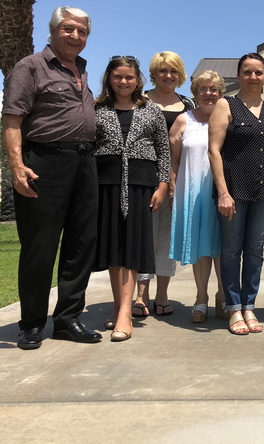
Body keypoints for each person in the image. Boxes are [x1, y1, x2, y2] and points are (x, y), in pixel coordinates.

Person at [2, 5, 102, 350]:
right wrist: (16, 166)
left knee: (80, 245)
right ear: (54, 30)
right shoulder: (30, 67)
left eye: (82, 32)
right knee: (39, 247)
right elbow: (12, 119)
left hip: (85, 162)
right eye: (69, 29)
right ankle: (31, 323)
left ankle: (67, 319)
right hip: (44, 162)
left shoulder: (84, 70)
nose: (76, 36)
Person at [93, 56, 170, 342]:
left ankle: (125, 313)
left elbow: (164, 150)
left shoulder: (151, 110)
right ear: (109, 79)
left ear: (139, 80)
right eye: (118, 77)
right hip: (107, 184)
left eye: (129, 77)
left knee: (131, 247)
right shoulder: (97, 109)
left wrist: (162, 185)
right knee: (115, 248)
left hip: (141, 185)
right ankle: (118, 305)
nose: (123, 82)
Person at [209, 53, 264, 336]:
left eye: (258, 72)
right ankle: (233, 308)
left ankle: (250, 306)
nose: (253, 77)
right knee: (230, 251)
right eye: (247, 72)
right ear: (239, 75)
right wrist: (223, 192)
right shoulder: (227, 105)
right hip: (233, 192)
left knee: (255, 252)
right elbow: (214, 150)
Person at [134, 52, 195, 318]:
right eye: (162, 71)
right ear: (154, 74)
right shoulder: (141, 102)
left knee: (166, 240)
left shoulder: (188, 104)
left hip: (178, 182)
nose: (167, 76)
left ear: (180, 74)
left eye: (173, 71)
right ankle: (141, 295)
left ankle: (162, 294)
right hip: (145, 179)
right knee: (145, 236)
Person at [168, 70, 225, 323]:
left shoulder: (228, 119)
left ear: (221, 93)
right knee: (201, 247)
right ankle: (201, 297)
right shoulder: (184, 120)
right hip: (192, 190)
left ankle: (223, 296)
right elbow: (174, 160)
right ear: (195, 93)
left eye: (213, 89)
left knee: (223, 247)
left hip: (221, 191)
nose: (208, 94)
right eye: (203, 89)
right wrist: (172, 186)